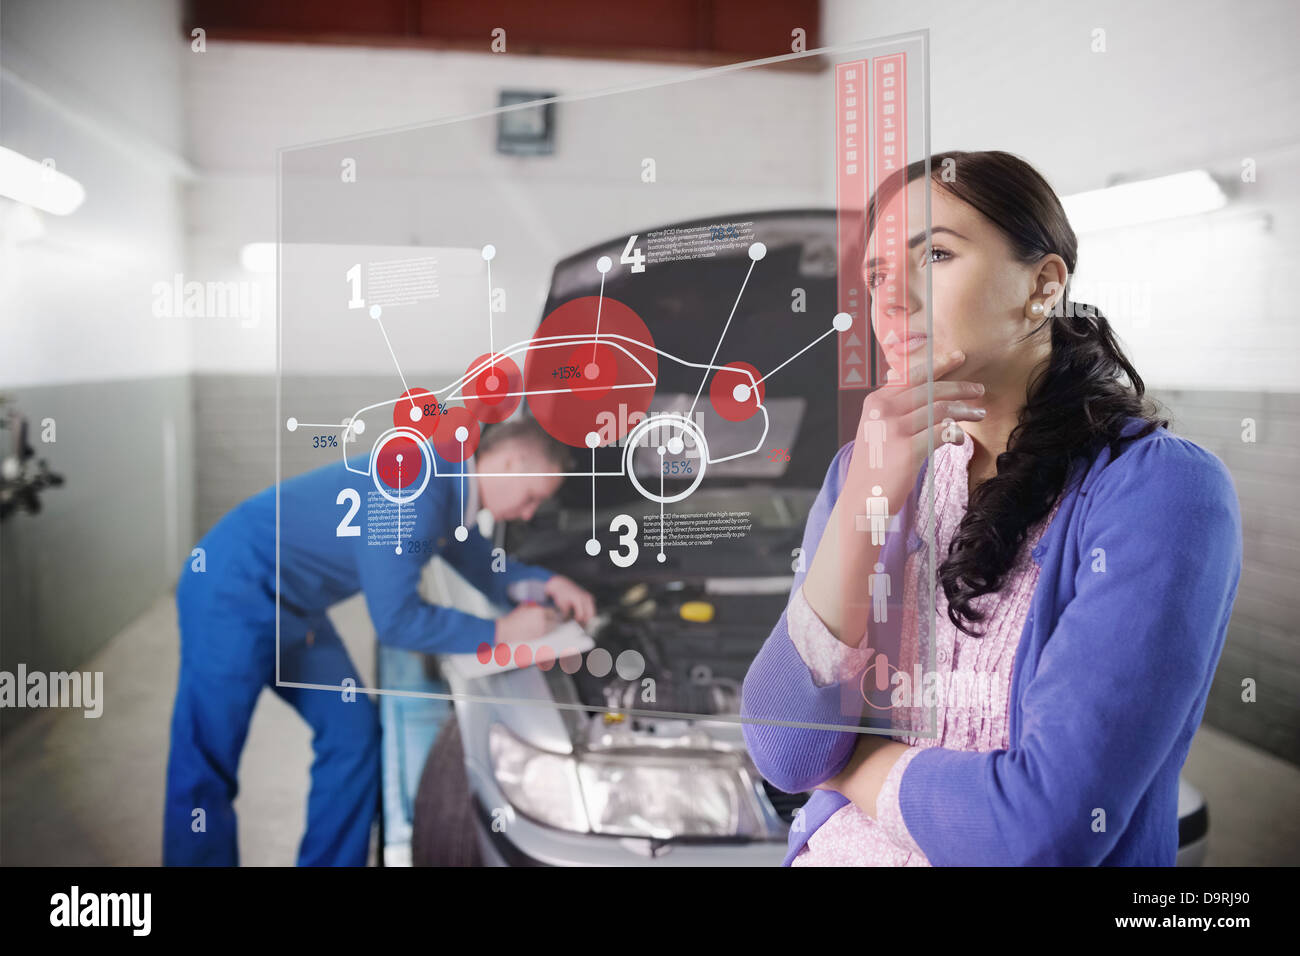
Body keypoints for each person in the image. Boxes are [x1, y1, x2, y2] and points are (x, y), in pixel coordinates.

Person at [741, 150, 1242, 866]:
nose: (892, 300)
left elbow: (1042, 828)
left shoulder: (1160, 491)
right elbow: (785, 750)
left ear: (1043, 285)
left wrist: (851, 766)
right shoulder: (865, 469)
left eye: (935, 255)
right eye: (878, 275)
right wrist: (866, 498)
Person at [164, 414, 594, 866]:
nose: (528, 514)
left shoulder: (450, 487)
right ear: (511, 461)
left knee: (352, 736)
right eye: (531, 498)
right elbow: (396, 621)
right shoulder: (416, 486)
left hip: (297, 609)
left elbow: (483, 565)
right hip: (232, 588)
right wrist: (500, 633)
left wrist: (545, 584)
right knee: (206, 761)